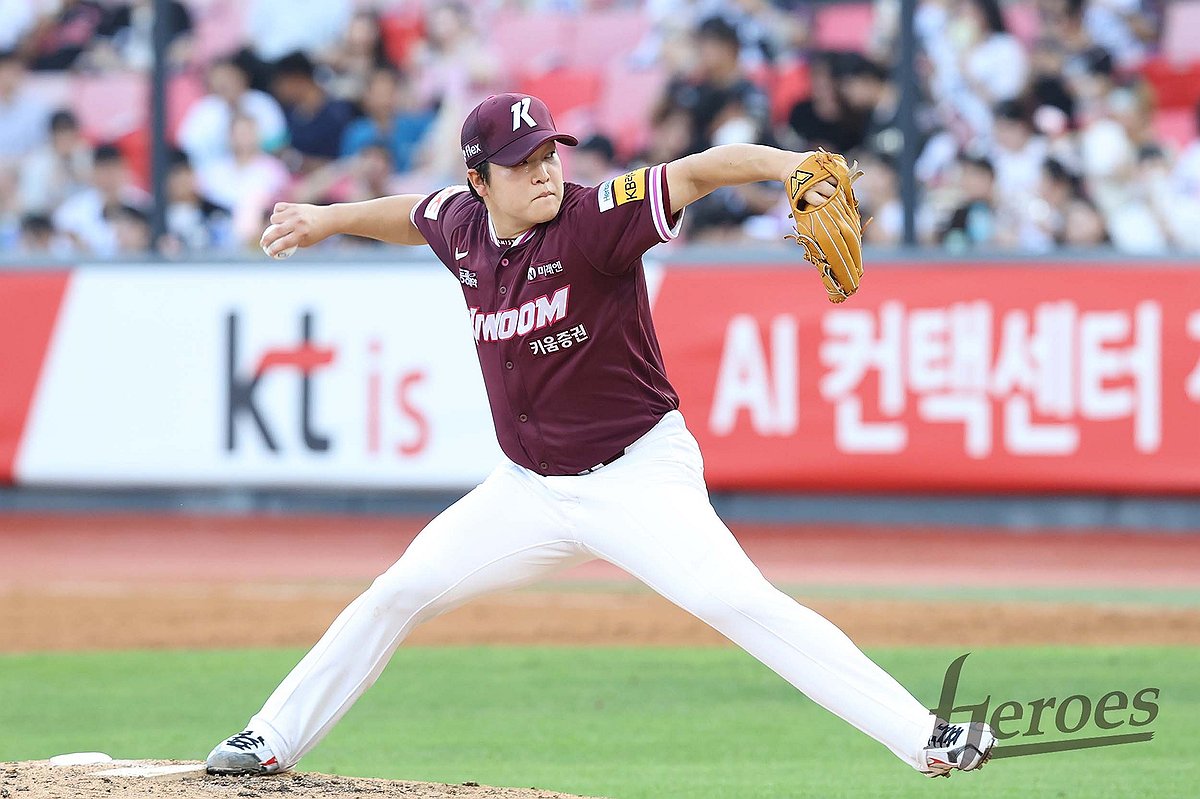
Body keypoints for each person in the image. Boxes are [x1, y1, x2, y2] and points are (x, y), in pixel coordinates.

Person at [205, 92, 995, 782]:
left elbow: (697, 171)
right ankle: (272, 735)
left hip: (637, 476)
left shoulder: (593, 220)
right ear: (480, 182)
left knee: (733, 597)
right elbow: (413, 215)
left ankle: (923, 735)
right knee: (398, 590)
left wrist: (789, 165)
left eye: (548, 153)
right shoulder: (463, 225)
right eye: (521, 163)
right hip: (526, 490)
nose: (544, 171)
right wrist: (326, 218)